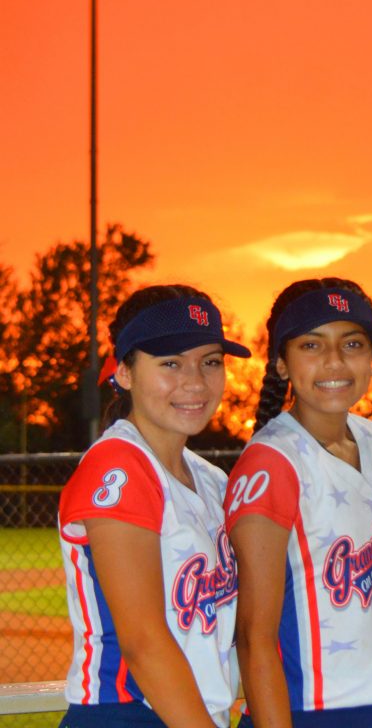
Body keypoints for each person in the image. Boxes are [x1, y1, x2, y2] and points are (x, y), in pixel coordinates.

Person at [224, 279, 372, 728]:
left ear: (371, 357)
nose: (335, 360)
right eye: (311, 345)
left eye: (353, 343)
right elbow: (253, 638)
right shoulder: (271, 463)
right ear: (281, 363)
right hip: (305, 713)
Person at [58, 285, 251, 728]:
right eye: (170, 363)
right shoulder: (119, 466)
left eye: (210, 361)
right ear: (125, 372)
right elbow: (144, 644)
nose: (195, 382)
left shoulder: (210, 479)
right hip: (127, 714)